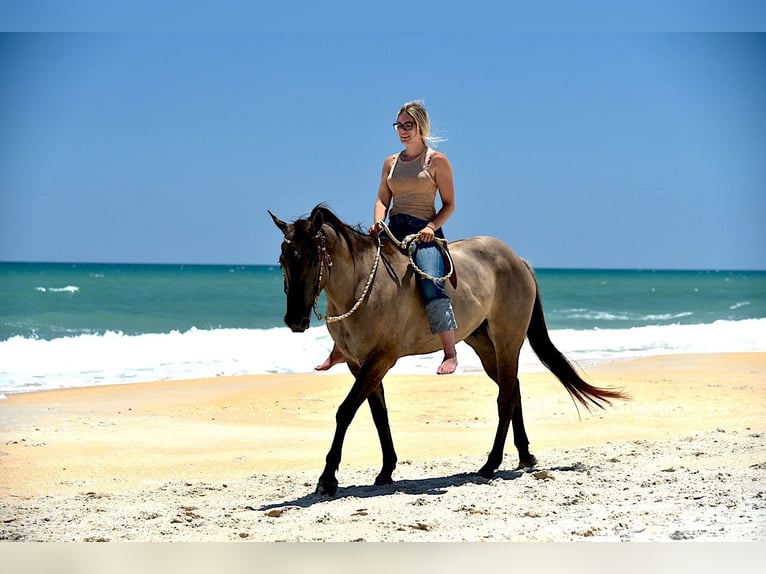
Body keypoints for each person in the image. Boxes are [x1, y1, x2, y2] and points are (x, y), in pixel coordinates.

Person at [316, 100, 459, 375]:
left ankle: (450, 352)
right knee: (353, 274)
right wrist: (378, 222)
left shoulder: (436, 161)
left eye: (409, 125)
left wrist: (431, 227)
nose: (403, 131)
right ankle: (340, 348)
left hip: (423, 233)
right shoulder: (390, 163)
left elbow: (449, 204)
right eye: (399, 126)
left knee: (430, 282)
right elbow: (382, 199)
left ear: (420, 126)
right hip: (392, 229)